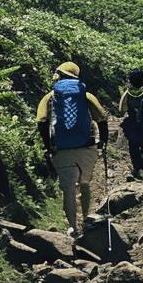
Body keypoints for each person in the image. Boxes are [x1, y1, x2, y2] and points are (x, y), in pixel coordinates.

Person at [36, 62, 110, 238]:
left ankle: (72, 227)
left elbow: (42, 122)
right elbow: (102, 119)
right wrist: (103, 142)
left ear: (58, 76)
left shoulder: (50, 97)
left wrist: (49, 147)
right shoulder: (86, 95)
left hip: (62, 149)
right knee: (84, 184)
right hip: (86, 147)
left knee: (68, 189)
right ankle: (86, 219)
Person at [118, 69, 143, 179]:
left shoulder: (127, 92)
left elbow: (122, 108)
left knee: (134, 146)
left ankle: (137, 168)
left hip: (131, 123)